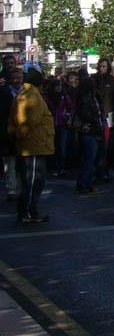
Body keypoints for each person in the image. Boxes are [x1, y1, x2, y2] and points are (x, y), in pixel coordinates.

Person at [9, 69, 55, 223]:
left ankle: (27, 210)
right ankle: (28, 212)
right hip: (34, 144)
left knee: (30, 180)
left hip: (32, 144)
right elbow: (30, 122)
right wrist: (20, 134)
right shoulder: (33, 95)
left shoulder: (23, 94)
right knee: (34, 180)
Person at [73, 77, 104, 194]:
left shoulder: (89, 97)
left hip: (90, 131)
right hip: (89, 131)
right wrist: (95, 120)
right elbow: (85, 115)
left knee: (88, 159)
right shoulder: (86, 98)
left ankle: (85, 183)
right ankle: (85, 184)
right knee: (89, 159)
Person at [92, 58, 114, 174]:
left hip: (107, 116)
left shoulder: (113, 81)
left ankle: (104, 169)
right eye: (101, 66)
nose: (102, 68)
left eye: (104, 66)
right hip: (95, 115)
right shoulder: (93, 79)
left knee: (106, 144)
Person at [43, 76, 74, 177]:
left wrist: (68, 116)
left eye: (60, 86)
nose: (59, 88)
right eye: (57, 86)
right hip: (50, 124)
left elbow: (70, 107)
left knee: (61, 146)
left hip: (62, 124)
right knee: (52, 146)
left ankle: (61, 167)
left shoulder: (64, 96)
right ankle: (52, 167)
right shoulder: (47, 97)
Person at [1, 66, 23, 201]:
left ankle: (20, 187)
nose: (17, 80)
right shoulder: (3, 92)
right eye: (14, 78)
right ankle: (11, 189)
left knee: (21, 164)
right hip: (8, 133)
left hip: (23, 132)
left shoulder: (27, 92)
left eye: (19, 77)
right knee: (9, 163)